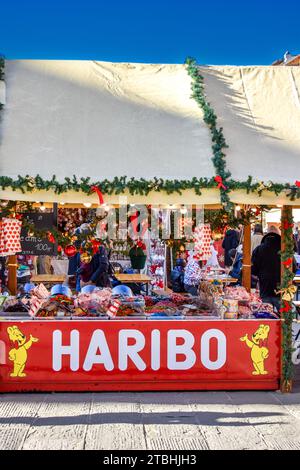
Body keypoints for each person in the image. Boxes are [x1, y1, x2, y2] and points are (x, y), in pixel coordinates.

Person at [251, 230, 282, 310]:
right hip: (281, 286)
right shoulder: (284, 249)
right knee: (283, 315)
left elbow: (253, 268)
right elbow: (293, 267)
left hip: (265, 285)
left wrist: (260, 274)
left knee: (266, 313)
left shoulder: (259, 249)